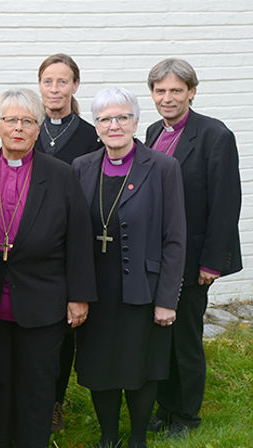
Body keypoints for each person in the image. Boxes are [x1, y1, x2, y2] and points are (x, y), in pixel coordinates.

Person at [0, 88, 96, 448]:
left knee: (38, 383)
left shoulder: (60, 175)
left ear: (38, 129)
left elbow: (78, 237)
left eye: (28, 121)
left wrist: (79, 296)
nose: (19, 128)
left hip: (43, 299)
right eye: (11, 120)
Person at [72, 87, 187, 448]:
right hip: (96, 289)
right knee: (99, 366)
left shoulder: (163, 167)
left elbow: (175, 237)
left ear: (136, 121)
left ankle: (138, 437)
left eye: (122, 117)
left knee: (142, 365)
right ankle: (108, 436)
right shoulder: (82, 167)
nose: (114, 125)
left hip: (143, 287)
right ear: (96, 127)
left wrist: (167, 298)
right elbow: (73, 236)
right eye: (105, 118)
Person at [144, 58, 243, 437]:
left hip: (194, 257)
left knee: (185, 338)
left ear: (192, 92)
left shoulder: (215, 135)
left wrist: (212, 263)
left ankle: (186, 416)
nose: (167, 98)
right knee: (161, 337)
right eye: (160, 90)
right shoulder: (153, 131)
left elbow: (225, 203)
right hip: (159, 256)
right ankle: (165, 408)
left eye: (175, 90)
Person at [34, 53, 102, 432]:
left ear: (75, 86)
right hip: (33, 250)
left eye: (63, 81)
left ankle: (54, 402)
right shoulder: (27, 129)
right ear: (39, 86)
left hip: (73, 247)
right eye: (48, 81)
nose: (55, 89)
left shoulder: (91, 136)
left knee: (62, 334)